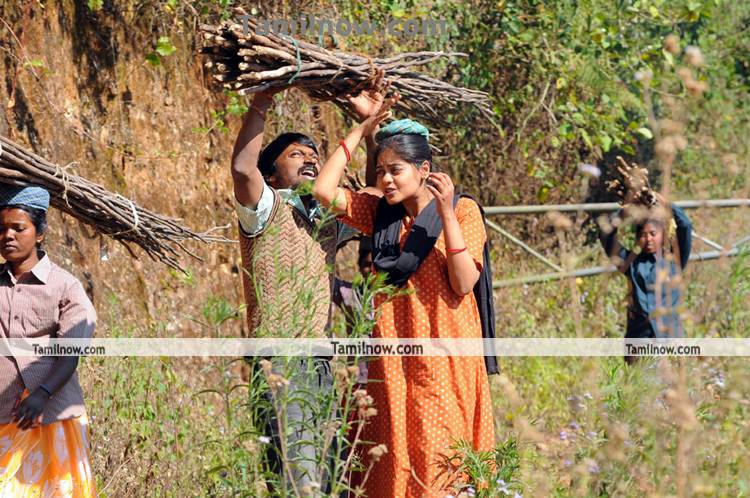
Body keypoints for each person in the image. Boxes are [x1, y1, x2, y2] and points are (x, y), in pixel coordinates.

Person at [312, 115, 495, 497]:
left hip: (445, 358)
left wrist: (444, 212)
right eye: (381, 171)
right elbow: (324, 191)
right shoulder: (381, 215)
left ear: (424, 169)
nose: (386, 180)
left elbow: (463, 282)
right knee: (391, 453)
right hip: (391, 359)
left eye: (395, 170)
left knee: (440, 455)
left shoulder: (463, 211)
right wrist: (361, 130)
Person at [230, 83, 386, 492]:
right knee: (294, 476)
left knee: (326, 471)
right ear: (271, 174)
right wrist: (262, 102)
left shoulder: (325, 221)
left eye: (316, 157)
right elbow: (243, 170)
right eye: (297, 155)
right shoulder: (265, 209)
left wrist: (369, 131)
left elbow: (372, 201)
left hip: (319, 360)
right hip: (278, 359)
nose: (311, 162)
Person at [0, 184, 97, 497]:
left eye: (18, 228)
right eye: (1, 229)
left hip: (50, 420)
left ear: (39, 233)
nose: (8, 236)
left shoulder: (65, 288)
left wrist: (42, 393)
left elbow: (70, 353)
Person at [599, 195, 693, 345]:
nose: (648, 239)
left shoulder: (674, 260)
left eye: (653, 234)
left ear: (663, 236)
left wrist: (665, 204)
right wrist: (626, 210)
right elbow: (606, 234)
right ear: (637, 238)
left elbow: (685, 226)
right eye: (643, 235)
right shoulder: (630, 263)